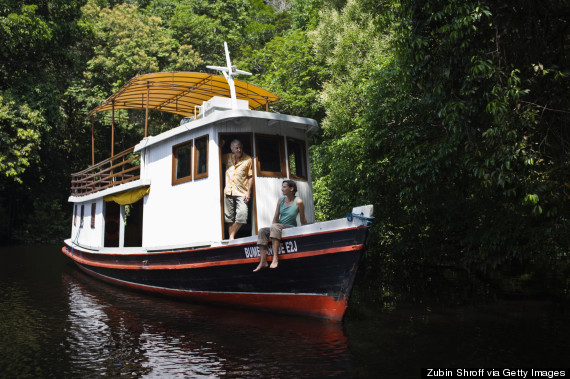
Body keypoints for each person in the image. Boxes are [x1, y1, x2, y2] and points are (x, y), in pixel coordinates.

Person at [253, 180, 307, 272]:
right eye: (282, 187)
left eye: (284, 187)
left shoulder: (299, 201)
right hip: (278, 226)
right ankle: (263, 261)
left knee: (275, 227)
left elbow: (303, 219)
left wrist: (307, 230)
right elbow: (276, 216)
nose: (282, 189)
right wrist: (271, 229)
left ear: (291, 188)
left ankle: (275, 258)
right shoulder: (280, 200)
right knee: (262, 230)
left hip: (290, 227)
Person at [222, 139, 253, 240]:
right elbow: (215, 156)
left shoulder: (248, 159)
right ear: (232, 149)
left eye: (240, 147)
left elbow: (250, 176)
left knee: (242, 216)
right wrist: (221, 146)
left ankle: (231, 236)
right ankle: (232, 240)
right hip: (228, 190)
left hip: (242, 192)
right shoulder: (227, 157)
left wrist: (249, 192)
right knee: (229, 218)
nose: (239, 150)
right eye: (236, 148)